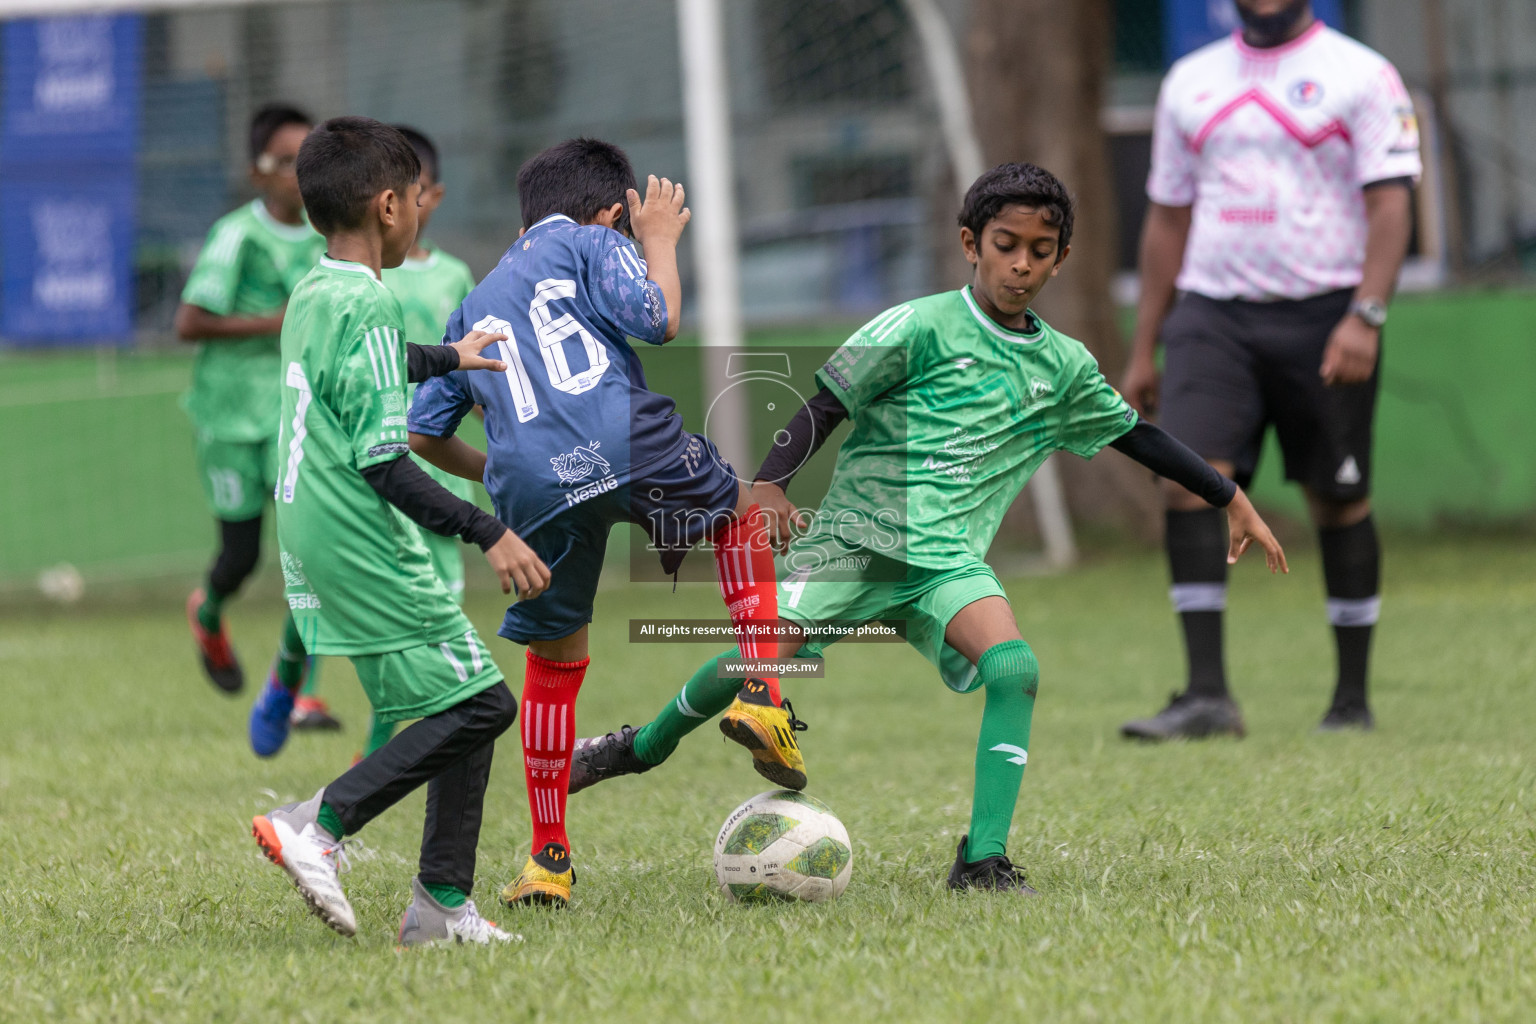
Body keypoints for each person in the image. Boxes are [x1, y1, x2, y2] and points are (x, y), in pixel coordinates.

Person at [568, 162, 1288, 893]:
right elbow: (825, 404)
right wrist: (771, 486)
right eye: (1007, 245)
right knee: (761, 656)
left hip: (948, 562)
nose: (1022, 264)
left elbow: (1138, 436)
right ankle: (638, 748)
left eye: (1041, 251)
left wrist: (1228, 494)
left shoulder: (1064, 367)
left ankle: (982, 861)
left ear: (1062, 258)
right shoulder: (918, 324)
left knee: (1015, 669)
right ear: (971, 242)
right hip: (857, 539)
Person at [408, 139, 798, 910]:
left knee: (555, 663)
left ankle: (548, 859)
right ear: (610, 211)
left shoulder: (474, 300)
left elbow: (421, 436)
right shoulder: (592, 242)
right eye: (628, 227)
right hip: (623, 437)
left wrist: (504, 470)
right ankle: (763, 695)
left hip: (527, 486)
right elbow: (659, 319)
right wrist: (657, 242)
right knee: (743, 517)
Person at [249, 116, 548, 945]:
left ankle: (440, 907)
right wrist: (488, 531)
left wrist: (452, 356)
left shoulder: (319, 289)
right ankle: (319, 823)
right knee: (486, 703)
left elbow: (369, 361)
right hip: (359, 530)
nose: (421, 209)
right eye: (416, 196)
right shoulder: (370, 300)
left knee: (466, 699)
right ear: (390, 206)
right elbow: (386, 461)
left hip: (308, 523)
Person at [1117, 0, 1419, 739]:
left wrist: (1366, 314)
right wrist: (1144, 344)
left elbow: (1391, 205)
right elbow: (1167, 218)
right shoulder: (1190, 80)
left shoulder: (1364, 75)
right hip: (1213, 314)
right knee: (1191, 483)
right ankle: (1206, 698)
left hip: (1327, 315)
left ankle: (1351, 702)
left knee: (1337, 498)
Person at [178, 105, 328, 721]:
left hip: (293, 415)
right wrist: (277, 321)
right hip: (229, 417)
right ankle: (208, 612)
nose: (298, 172)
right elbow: (190, 322)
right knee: (242, 558)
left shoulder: (330, 235)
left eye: (308, 159)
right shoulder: (237, 234)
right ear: (258, 172)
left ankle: (301, 692)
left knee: (312, 548)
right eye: (286, 161)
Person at [346, 124, 480, 760]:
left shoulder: (453, 274)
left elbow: (469, 363)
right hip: (373, 459)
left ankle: (378, 748)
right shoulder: (353, 282)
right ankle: (294, 680)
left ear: (430, 196)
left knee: (436, 616)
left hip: (432, 454)